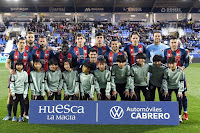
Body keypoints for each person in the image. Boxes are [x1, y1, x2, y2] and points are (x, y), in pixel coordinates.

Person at [3, 37, 33, 121]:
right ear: (17, 44)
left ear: (25, 44)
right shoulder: (13, 53)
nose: (22, 44)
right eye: (20, 42)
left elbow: (32, 65)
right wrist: (10, 70)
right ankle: (9, 115)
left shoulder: (28, 54)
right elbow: (7, 63)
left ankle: (25, 114)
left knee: (25, 95)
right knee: (10, 94)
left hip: (24, 77)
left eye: (23, 42)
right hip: (14, 76)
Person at [163, 36, 189, 120]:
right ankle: (170, 113)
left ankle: (185, 112)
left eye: (175, 42)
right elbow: (164, 61)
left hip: (180, 75)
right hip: (170, 75)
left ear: (178, 43)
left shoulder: (183, 51)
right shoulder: (166, 51)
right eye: (172, 42)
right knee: (168, 94)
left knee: (183, 94)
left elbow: (187, 62)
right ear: (169, 43)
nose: (174, 44)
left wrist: (183, 67)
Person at [162, 57, 184, 123]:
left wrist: (180, 91)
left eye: (173, 64)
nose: (171, 65)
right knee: (167, 100)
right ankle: (168, 115)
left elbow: (182, 81)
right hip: (169, 87)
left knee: (179, 100)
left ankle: (179, 116)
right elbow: (164, 81)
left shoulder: (180, 71)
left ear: (176, 63)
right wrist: (165, 90)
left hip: (177, 86)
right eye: (170, 64)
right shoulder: (166, 70)